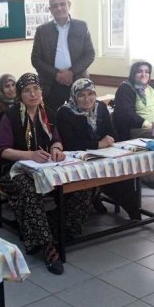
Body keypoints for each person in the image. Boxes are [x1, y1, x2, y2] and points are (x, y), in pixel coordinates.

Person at [0, 73, 92, 275]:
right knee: (28, 189)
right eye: (27, 91)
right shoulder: (10, 116)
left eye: (36, 89)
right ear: (20, 94)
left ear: (41, 91)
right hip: (13, 172)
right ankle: (48, 247)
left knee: (80, 185)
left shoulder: (47, 112)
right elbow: (4, 151)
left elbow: (56, 139)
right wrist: (30, 155)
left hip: (44, 169)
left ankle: (57, 229)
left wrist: (56, 148)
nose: (33, 94)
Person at [55, 79, 142, 221]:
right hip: (77, 159)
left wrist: (107, 141)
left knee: (123, 170)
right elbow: (69, 144)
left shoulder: (100, 107)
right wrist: (98, 144)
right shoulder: (65, 112)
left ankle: (132, 211)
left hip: (102, 154)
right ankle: (93, 197)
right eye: (81, 95)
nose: (87, 99)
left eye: (90, 94)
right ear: (74, 96)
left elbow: (113, 134)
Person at [31, 0, 96, 119]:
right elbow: (36, 59)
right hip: (51, 84)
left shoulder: (81, 26)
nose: (59, 8)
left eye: (62, 4)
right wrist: (57, 74)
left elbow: (90, 54)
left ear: (69, 5)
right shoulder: (42, 31)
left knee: (81, 119)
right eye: (55, 6)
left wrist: (71, 72)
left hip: (78, 81)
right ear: (50, 9)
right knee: (53, 120)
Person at [112, 61, 154, 189]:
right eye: (139, 71)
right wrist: (146, 124)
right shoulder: (126, 88)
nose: (144, 74)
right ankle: (148, 176)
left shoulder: (150, 89)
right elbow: (127, 114)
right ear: (133, 73)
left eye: (147, 72)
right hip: (135, 128)